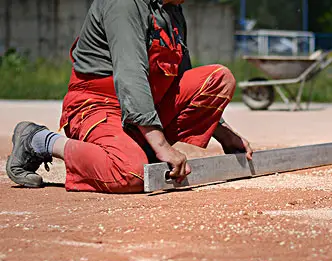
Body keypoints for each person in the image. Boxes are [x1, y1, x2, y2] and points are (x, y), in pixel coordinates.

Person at [6, 0, 253, 193]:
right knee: (133, 173)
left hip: (143, 108)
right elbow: (130, 74)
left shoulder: (171, 10)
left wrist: (223, 132)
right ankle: (39, 141)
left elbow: (181, 81)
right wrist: (161, 146)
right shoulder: (124, 4)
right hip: (98, 105)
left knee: (219, 78)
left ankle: (134, 147)